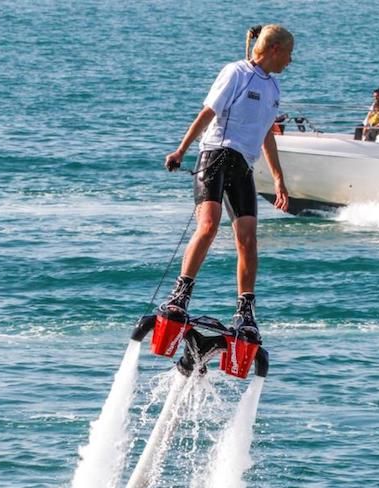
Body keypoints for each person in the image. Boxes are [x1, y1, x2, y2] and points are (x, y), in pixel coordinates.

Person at [161, 24, 294, 340]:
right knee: (209, 225)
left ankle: (245, 312)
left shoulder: (273, 89)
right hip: (216, 155)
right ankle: (180, 295)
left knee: (248, 239)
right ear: (274, 49)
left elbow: (266, 135)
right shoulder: (235, 72)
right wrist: (181, 149)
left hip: (243, 167)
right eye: (289, 53)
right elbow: (208, 112)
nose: (290, 61)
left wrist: (278, 179)